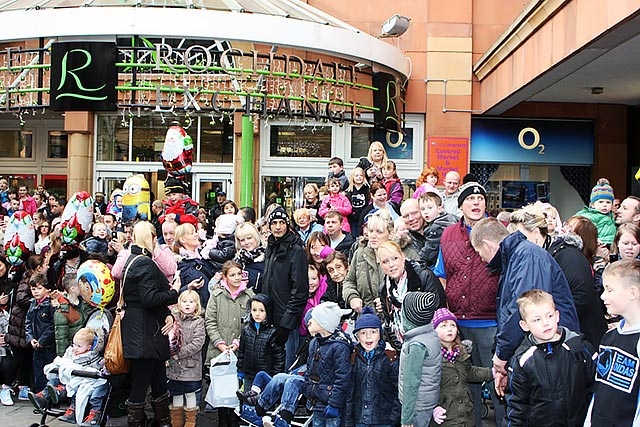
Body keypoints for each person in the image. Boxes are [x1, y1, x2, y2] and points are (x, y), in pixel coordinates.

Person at [468, 217, 580, 391]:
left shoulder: (527, 257)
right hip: (542, 349)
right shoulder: (517, 257)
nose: (480, 258)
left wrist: (501, 355)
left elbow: (523, 310)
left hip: (552, 352)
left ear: (487, 244)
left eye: (478, 251)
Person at [433, 181, 502, 427]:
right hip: (457, 323)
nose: (476, 203)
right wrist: (443, 312)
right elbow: (441, 275)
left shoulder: (498, 230)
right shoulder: (448, 234)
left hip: (490, 321)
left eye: (481, 199)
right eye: (470, 199)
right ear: (460, 205)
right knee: (463, 381)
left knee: (496, 380)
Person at [510, 205, 607, 347]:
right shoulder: (553, 253)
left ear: (536, 232)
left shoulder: (568, 256)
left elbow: (581, 297)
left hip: (580, 335)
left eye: (521, 235)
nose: (517, 241)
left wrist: (552, 319)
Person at [503, 290, 596, 426]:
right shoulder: (522, 360)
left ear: (557, 316)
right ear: (525, 325)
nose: (546, 323)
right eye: (537, 319)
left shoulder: (579, 346)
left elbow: (595, 386)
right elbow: (517, 406)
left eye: (550, 316)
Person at [121, 221, 180, 427]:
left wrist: (167, 314)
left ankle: (163, 421)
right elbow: (149, 298)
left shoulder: (133, 259)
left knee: (157, 378)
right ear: (151, 238)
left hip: (144, 330)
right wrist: (174, 292)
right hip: (145, 332)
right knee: (142, 381)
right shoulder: (144, 262)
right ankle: (142, 422)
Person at [586, 259, 640, 426]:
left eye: (609, 289)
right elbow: (599, 391)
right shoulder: (608, 338)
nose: (603, 296)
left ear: (632, 292)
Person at [205, 260, 254, 427]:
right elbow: (210, 321)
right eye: (232, 275)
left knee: (236, 392)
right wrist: (219, 343)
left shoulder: (249, 296)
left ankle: (234, 422)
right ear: (224, 277)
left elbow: (250, 323)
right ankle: (222, 422)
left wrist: (238, 342)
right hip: (219, 352)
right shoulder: (216, 295)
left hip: (239, 352)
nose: (236, 278)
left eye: (239, 274)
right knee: (221, 393)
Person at [261, 207, 309, 370]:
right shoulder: (271, 247)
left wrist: (286, 324)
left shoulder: (296, 251)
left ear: (288, 225)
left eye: (282, 222)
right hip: (269, 319)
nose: (278, 227)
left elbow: (300, 291)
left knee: (286, 371)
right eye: (274, 223)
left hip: (286, 324)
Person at [29, 327, 109, 425]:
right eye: (74, 344)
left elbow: (95, 371)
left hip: (81, 380)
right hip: (69, 377)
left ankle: (61, 394)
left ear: (89, 347)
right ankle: (44, 396)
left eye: (79, 346)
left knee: (77, 385)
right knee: (55, 379)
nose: (75, 348)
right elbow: (64, 361)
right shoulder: (71, 353)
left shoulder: (92, 357)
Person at [376, 240, 444, 350]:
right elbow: (389, 323)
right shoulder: (384, 289)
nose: (391, 265)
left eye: (395, 258)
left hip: (430, 343)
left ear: (403, 257)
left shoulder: (423, 277)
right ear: (381, 265)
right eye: (385, 261)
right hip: (403, 347)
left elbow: (439, 312)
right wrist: (401, 348)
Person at [431, 308, 493, 426]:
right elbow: (425, 386)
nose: (449, 329)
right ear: (434, 330)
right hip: (445, 416)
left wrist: (492, 373)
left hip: (466, 414)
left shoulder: (461, 352)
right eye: (443, 325)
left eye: (453, 325)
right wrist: (433, 407)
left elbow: (470, 372)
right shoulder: (431, 356)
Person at [346, 307, 400, 427]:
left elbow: (398, 391)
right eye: (363, 333)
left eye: (373, 332)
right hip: (360, 419)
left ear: (380, 334)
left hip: (384, 419)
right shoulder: (353, 358)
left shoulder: (390, 358)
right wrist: (348, 419)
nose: (368, 337)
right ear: (357, 337)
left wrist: (393, 418)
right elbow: (350, 392)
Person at [303, 301, 353, 427]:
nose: (308, 323)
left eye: (312, 320)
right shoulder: (314, 342)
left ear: (323, 322)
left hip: (330, 402)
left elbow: (342, 378)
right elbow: (310, 369)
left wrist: (334, 404)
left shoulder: (339, 347)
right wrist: (308, 390)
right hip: (316, 401)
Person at [398, 291, 441, 427]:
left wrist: (406, 418)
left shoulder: (417, 345)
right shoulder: (430, 334)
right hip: (426, 402)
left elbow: (411, 384)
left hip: (416, 406)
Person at [167, 290, 206, 427]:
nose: (187, 304)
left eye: (191, 302)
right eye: (184, 301)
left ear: (197, 305)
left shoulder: (199, 322)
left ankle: (190, 422)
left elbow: (197, 343)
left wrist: (178, 353)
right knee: (176, 394)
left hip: (191, 367)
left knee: (190, 394)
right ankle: (176, 422)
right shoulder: (173, 319)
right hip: (174, 367)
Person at [343, 211, 393, 313]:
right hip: (366, 315)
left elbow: (411, 290)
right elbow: (349, 281)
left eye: (379, 232)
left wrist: (389, 300)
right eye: (371, 231)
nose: (373, 236)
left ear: (390, 234)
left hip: (394, 318)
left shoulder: (402, 255)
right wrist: (352, 297)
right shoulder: (360, 253)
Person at [237, 294, 285, 391]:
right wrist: (240, 370)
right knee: (247, 399)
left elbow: (279, 357)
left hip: (265, 376)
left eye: (262, 311)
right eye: (254, 310)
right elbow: (242, 352)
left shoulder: (273, 332)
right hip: (249, 375)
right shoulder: (246, 330)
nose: (257, 314)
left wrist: (275, 375)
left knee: (262, 402)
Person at [25, 272, 56, 393]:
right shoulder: (32, 303)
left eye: (39, 288)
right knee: (38, 372)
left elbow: (52, 325)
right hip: (36, 345)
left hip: (48, 345)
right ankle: (39, 395)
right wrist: (30, 338)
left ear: (47, 289)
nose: (36, 291)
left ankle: (49, 396)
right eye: (33, 289)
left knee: (49, 372)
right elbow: (28, 322)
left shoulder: (50, 304)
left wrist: (42, 340)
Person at [51, 275, 89, 357]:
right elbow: (61, 340)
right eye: (80, 285)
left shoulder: (85, 303)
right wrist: (62, 358)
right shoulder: (62, 311)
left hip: (88, 349)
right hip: (73, 352)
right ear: (73, 289)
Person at [418, 192, 457, 269]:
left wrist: (418, 259)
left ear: (440, 209)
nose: (426, 211)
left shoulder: (437, 227)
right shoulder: (450, 218)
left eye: (430, 208)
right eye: (422, 209)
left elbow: (431, 249)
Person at [575, 178, 617, 245]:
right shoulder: (589, 216)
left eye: (608, 202)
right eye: (601, 202)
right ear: (592, 205)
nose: (605, 205)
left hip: (611, 244)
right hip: (597, 243)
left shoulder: (612, 216)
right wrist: (594, 239)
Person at [234, 222, 266, 289]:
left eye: (249, 238)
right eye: (242, 240)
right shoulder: (237, 261)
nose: (246, 242)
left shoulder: (268, 257)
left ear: (256, 237)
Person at [345, 167, 370, 237]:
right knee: (354, 235)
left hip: (364, 217)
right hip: (353, 218)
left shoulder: (367, 189)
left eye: (361, 175)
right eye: (356, 176)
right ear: (352, 177)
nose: (359, 177)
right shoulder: (349, 191)